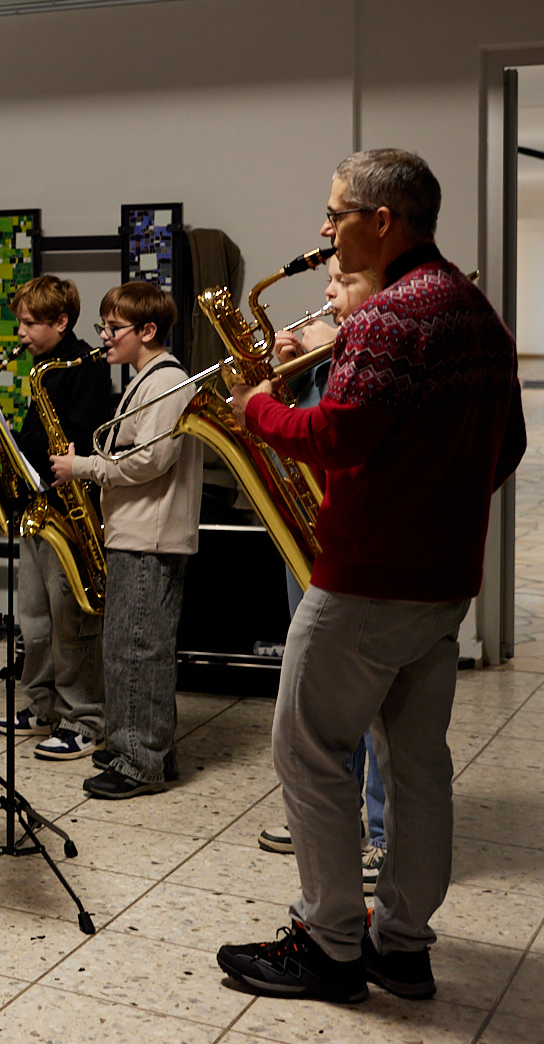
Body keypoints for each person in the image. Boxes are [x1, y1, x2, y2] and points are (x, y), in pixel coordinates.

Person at [217, 150, 524, 1004]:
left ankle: (329, 944)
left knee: (308, 751)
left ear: (382, 221)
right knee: (418, 768)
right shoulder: (477, 312)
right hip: (443, 582)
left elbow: (335, 436)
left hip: (364, 582)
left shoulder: (387, 316)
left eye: (335, 212)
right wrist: (435, 504)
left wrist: (255, 408)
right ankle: (402, 946)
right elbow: (509, 446)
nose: (324, 228)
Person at [256, 259, 389, 885]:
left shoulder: (374, 351)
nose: (328, 293)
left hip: (365, 542)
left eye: (342, 281)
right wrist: (285, 374)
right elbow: (298, 432)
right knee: (318, 690)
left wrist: (333, 352)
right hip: (310, 531)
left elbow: (347, 431)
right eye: (328, 282)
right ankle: (333, 817)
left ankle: (383, 833)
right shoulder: (324, 356)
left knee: (374, 700)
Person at [52, 281, 202, 800]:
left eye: (114, 328)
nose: (105, 336)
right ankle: (147, 749)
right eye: (105, 326)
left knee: (137, 650)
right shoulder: (148, 378)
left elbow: (150, 460)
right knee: (129, 648)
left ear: (148, 330)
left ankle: (139, 761)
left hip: (149, 538)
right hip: (136, 533)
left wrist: (84, 467)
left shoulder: (167, 380)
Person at [0, 276, 115, 762]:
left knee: (70, 623)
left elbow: (76, 438)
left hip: (70, 510)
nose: (20, 333)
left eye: (28, 323)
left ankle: (84, 719)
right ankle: (43, 705)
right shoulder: (44, 367)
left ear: (61, 322)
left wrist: (19, 444)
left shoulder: (83, 367)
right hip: (39, 509)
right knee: (36, 619)